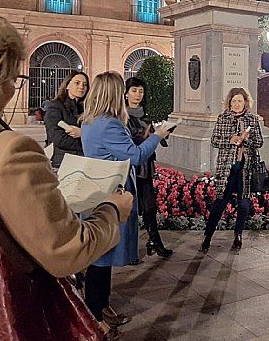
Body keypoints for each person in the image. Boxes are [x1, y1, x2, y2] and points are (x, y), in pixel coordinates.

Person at [0, 8, 132, 341]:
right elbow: (67, 250)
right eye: (13, 76)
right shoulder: (6, 151)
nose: (14, 87)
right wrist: (111, 211)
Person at [80, 71, 171, 338]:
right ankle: (96, 317)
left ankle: (103, 308)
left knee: (103, 253)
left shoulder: (90, 121)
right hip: (109, 194)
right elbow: (135, 156)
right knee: (100, 257)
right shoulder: (109, 124)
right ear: (113, 93)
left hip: (96, 190)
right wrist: (158, 136)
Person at [201, 87, 263, 252]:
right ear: (229, 102)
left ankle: (238, 236)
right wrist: (230, 139)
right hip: (227, 167)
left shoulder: (252, 119)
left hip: (245, 167)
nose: (237, 104)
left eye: (240, 101)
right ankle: (207, 236)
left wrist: (247, 140)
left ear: (245, 103)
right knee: (220, 202)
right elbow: (214, 140)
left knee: (243, 203)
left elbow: (259, 142)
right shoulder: (223, 118)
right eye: (234, 101)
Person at [125, 76, 172, 259]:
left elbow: (152, 140)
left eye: (141, 91)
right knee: (129, 208)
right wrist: (146, 138)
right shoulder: (122, 116)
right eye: (134, 90)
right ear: (126, 93)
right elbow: (126, 143)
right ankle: (129, 250)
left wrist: (161, 136)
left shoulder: (146, 115)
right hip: (129, 167)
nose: (138, 95)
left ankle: (155, 241)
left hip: (145, 166)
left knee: (149, 207)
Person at [44, 70, 89, 169]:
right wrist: (87, 144)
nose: (81, 87)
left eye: (85, 84)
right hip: (62, 163)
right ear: (67, 85)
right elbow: (57, 138)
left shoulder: (87, 108)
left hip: (82, 162)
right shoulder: (55, 106)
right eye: (77, 83)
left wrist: (83, 133)